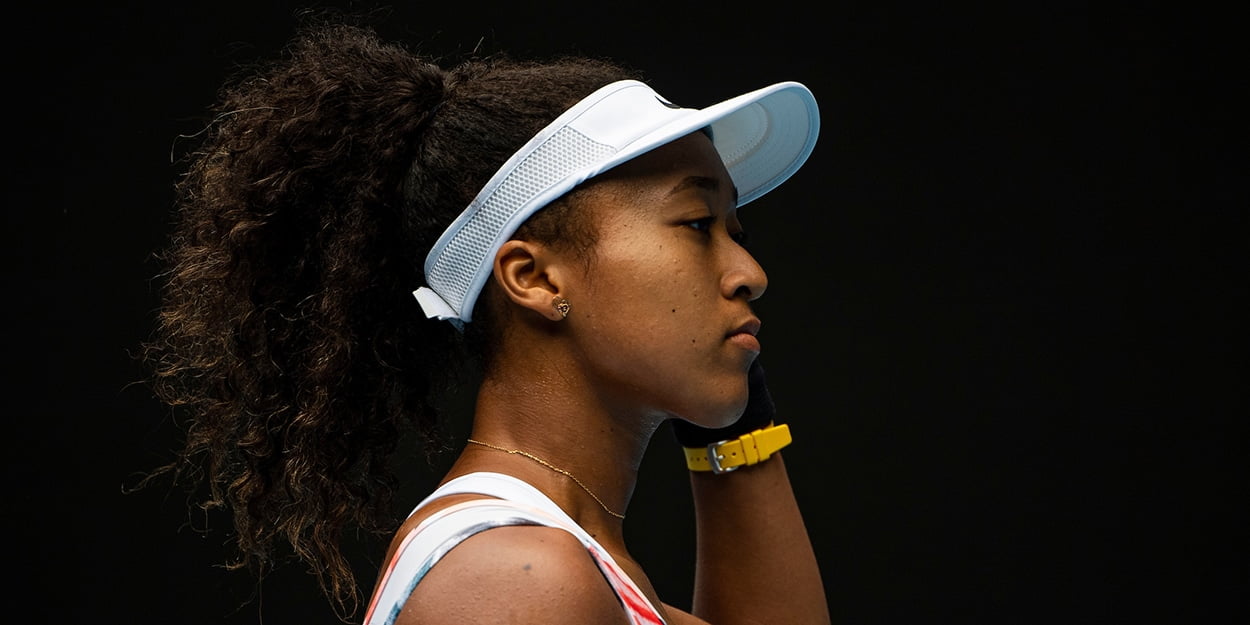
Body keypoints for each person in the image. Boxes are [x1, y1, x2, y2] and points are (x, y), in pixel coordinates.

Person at [139, 14, 829, 625]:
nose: (750, 273)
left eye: (736, 231)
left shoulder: (552, 565)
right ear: (533, 276)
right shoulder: (517, 579)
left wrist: (737, 421)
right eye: (696, 223)